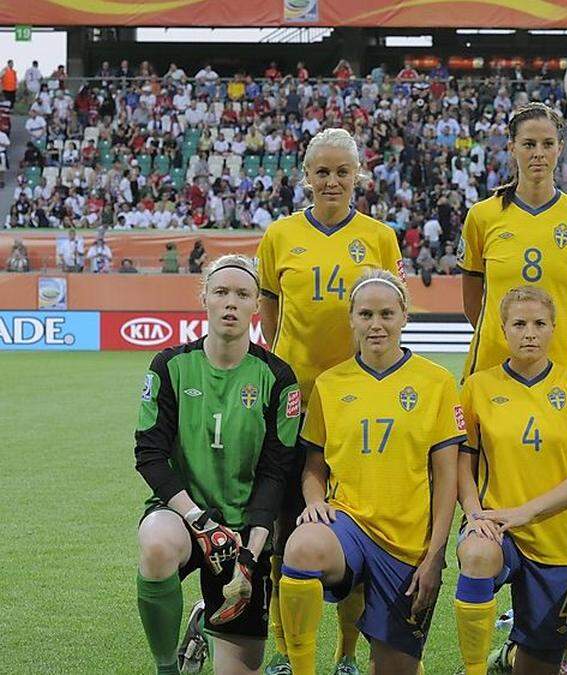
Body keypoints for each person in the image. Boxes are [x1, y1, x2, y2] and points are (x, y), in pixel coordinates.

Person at [255, 127, 403, 675]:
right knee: (284, 529)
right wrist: (288, 369)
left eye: (343, 171)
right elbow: (271, 312)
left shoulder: (380, 238)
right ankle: (286, 650)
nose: (333, 181)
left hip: (357, 407)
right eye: (323, 171)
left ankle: (345, 654)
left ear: (358, 175)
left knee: (357, 526)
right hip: (294, 404)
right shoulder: (279, 235)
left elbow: (387, 308)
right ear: (306, 176)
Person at [277, 269, 462, 675]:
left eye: (385, 314)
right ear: (352, 320)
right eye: (365, 315)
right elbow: (313, 466)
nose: (376, 324)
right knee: (302, 546)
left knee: (395, 668)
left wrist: (435, 556)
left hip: (408, 545)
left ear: (403, 316)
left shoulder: (438, 382)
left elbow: (447, 477)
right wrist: (313, 502)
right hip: (349, 524)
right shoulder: (330, 383)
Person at [134, 254, 300, 675]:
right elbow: (149, 454)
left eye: (242, 294)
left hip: (246, 531)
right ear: (204, 298)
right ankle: (167, 666)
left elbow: (276, 471)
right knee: (155, 545)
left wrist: (251, 551)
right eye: (221, 292)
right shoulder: (170, 366)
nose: (231, 302)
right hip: (186, 518)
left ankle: (206, 617)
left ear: (256, 306)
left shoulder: (278, 377)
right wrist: (200, 521)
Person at [454, 286, 567, 675]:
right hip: (496, 529)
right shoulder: (477, 387)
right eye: (519, 324)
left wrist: (526, 512)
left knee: (538, 665)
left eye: (540, 323)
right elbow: (462, 465)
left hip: (555, 537)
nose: (530, 333)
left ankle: (509, 656)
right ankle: (473, 669)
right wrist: (475, 515)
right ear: (503, 330)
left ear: (555, 329)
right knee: (476, 555)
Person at [459, 102, 567, 381]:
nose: (538, 153)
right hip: (492, 365)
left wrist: (554, 337)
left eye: (547, 143)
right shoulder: (482, 216)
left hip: (559, 365)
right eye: (528, 144)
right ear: (511, 148)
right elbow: (471, 303)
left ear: (560, 148)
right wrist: (505, 336)